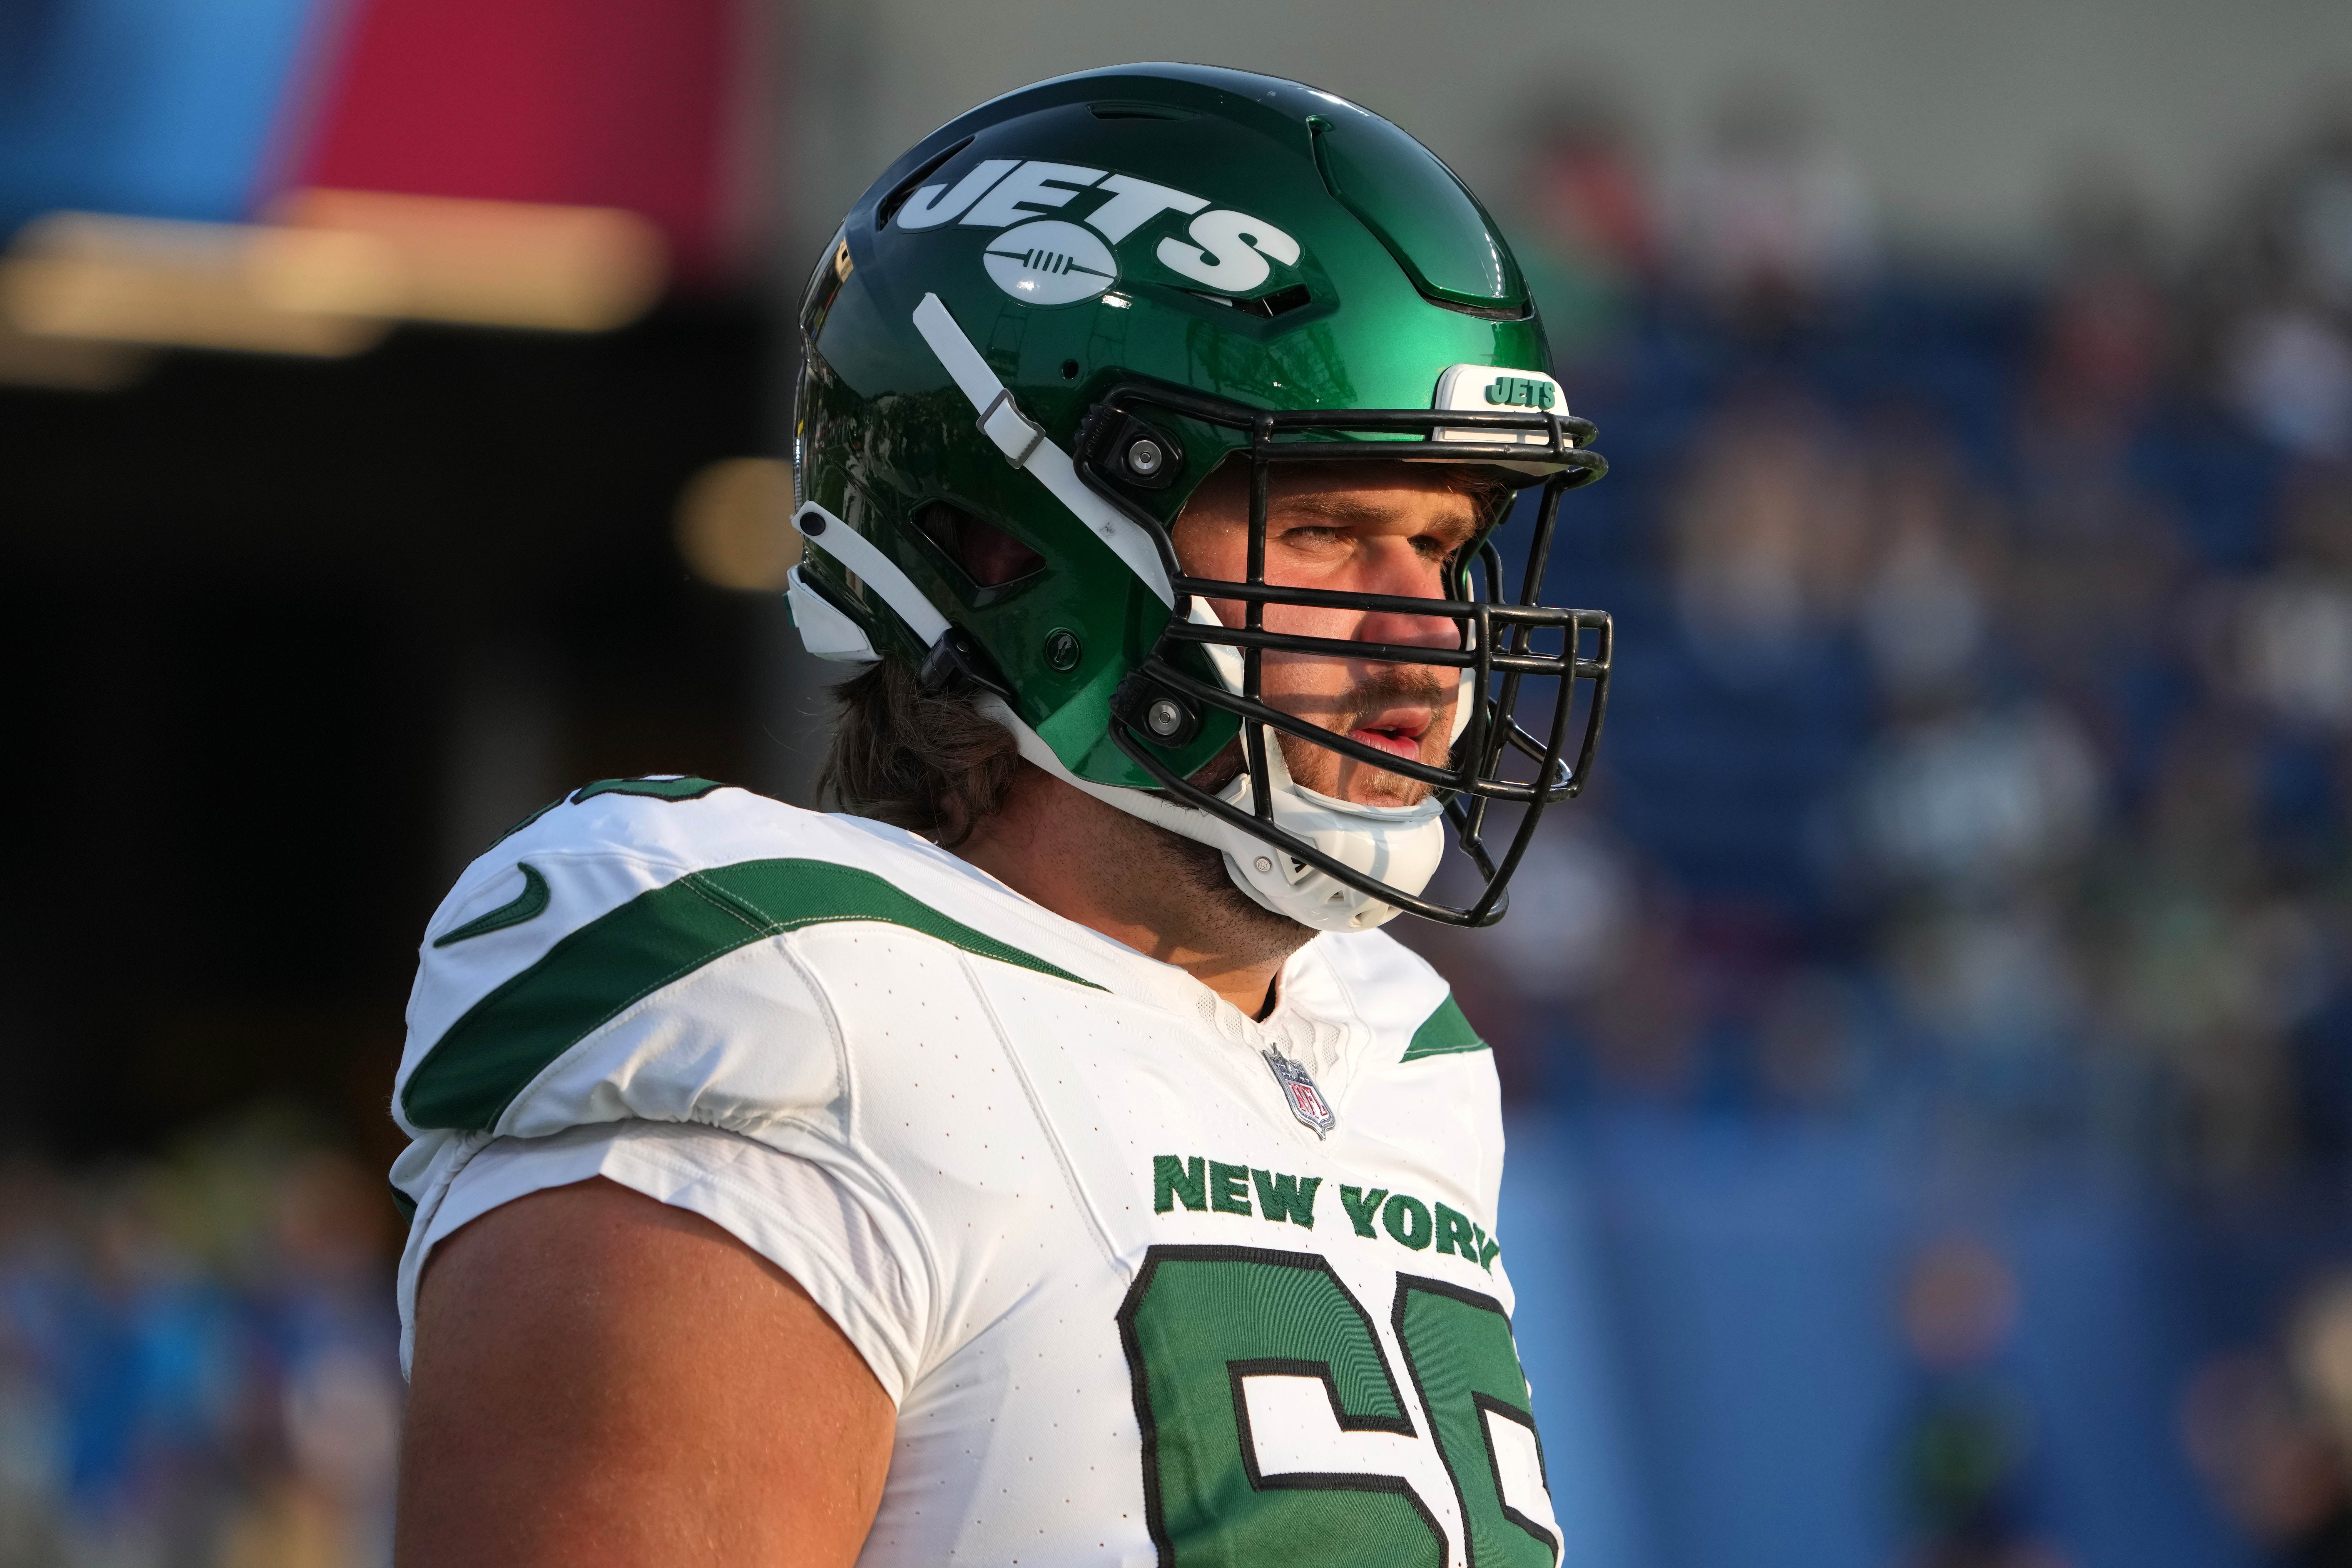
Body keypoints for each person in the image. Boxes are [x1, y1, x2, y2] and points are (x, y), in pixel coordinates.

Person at [389, 63, 1611, 1568]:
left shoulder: (1392, 1050)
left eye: (1440, 549)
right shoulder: (798, 1004)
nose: (1422, 644)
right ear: (1006, 544)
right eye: (1327, 534)